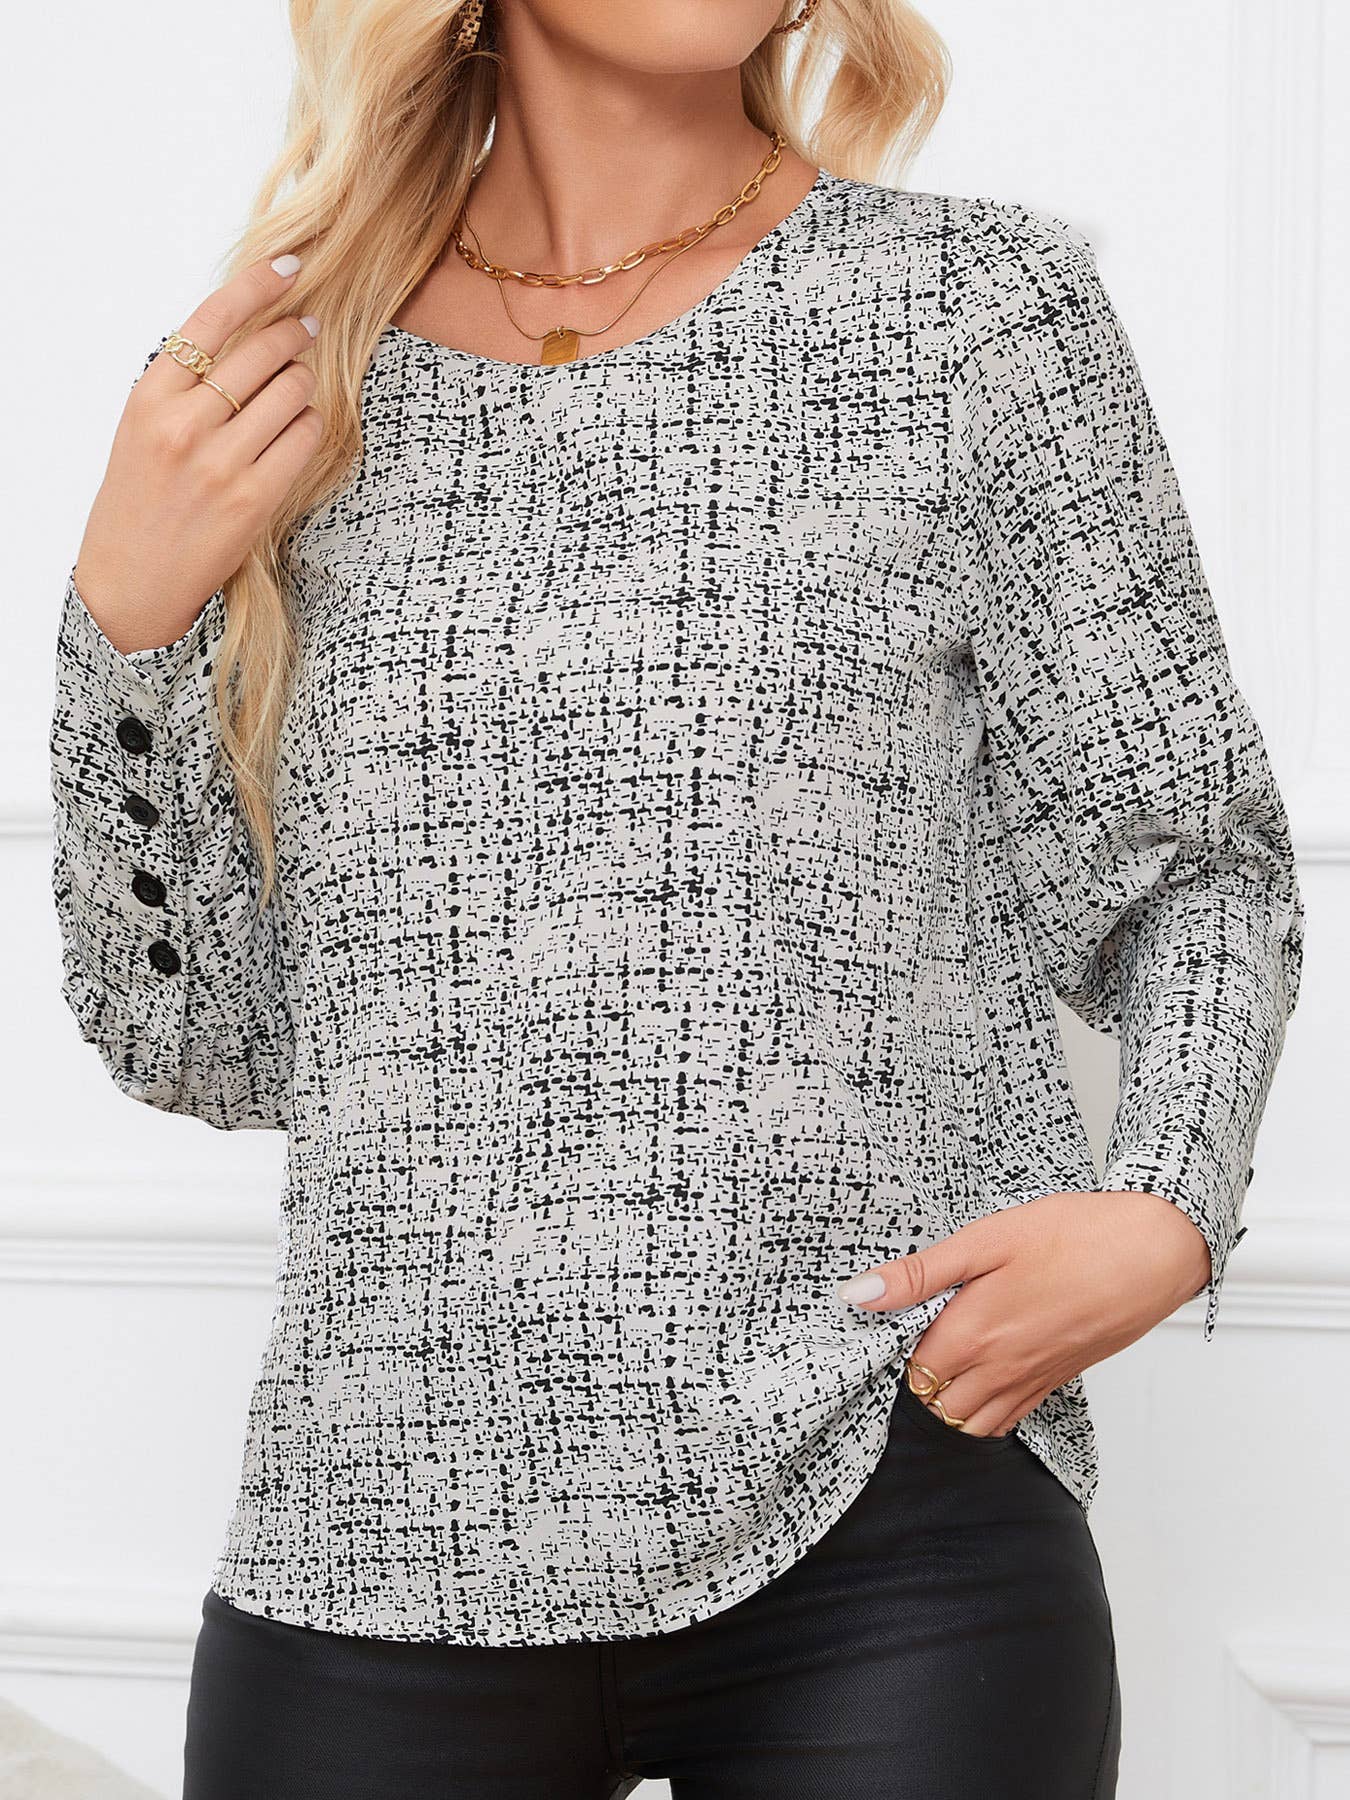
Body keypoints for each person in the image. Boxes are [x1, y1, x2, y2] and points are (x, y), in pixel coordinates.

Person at [46, 1, 1304, 1795]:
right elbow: (202, 1042)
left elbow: (1192, 860)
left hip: (888, 1510)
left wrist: (1169, 1195)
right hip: (377, 1525)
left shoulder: (969, 312)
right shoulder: (281, 384)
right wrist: (126, 619)